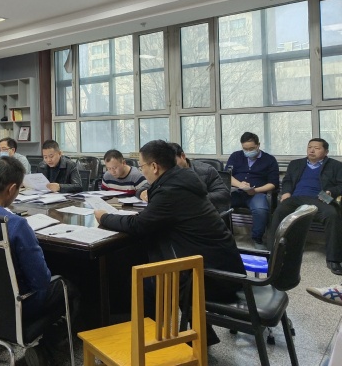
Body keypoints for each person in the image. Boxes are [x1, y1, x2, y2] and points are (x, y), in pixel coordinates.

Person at [94, 140, 245, 345]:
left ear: (154, 167)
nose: (142, 171)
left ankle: (153, 341)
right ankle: (202, 334)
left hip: (213, 276)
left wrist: (104, 217)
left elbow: (139, 224)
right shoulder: (182, 180)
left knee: (145, 281)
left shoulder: (171, 191)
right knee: (153, 259)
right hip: (220, 263)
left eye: (142, 166)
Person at [0, 157, 77, 366]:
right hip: (15, 305)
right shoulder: (15, 224)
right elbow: (41, 281)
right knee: (68, 287)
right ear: (11, 189)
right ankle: (45, 349)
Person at [267, 138, 342, 274]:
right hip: (296, 198)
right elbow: (287, 180)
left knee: (332, 215)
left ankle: (334, 259)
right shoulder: (295, 163)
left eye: (317, 148)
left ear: (326, 152)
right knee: (279, 212)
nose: (312, 150)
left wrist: (331, 192)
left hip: (320, 198)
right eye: (309, 147)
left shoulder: (336, 165)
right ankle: (273, 253)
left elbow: (340, 185)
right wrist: (286, 192)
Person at [226, 132, 279, 249]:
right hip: (236, 192)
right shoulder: (236, 156)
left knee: (260, 210)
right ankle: (222, 235)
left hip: (256, 194)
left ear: (258, 145)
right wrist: (240, 185)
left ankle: (257, 239)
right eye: (245, 149)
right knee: (216, 203)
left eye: (251, 148)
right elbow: (227, 175)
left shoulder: (269, 160)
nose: (248, 151)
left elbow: (273, 184)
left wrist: (255, 190)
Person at [168, 142, 231, 212]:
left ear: (183, 156)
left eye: (173, 162)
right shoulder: (167, 173)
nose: (171, 166)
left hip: (203, 212)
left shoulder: (207, 170)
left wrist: (196, 199)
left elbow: (224, 195)